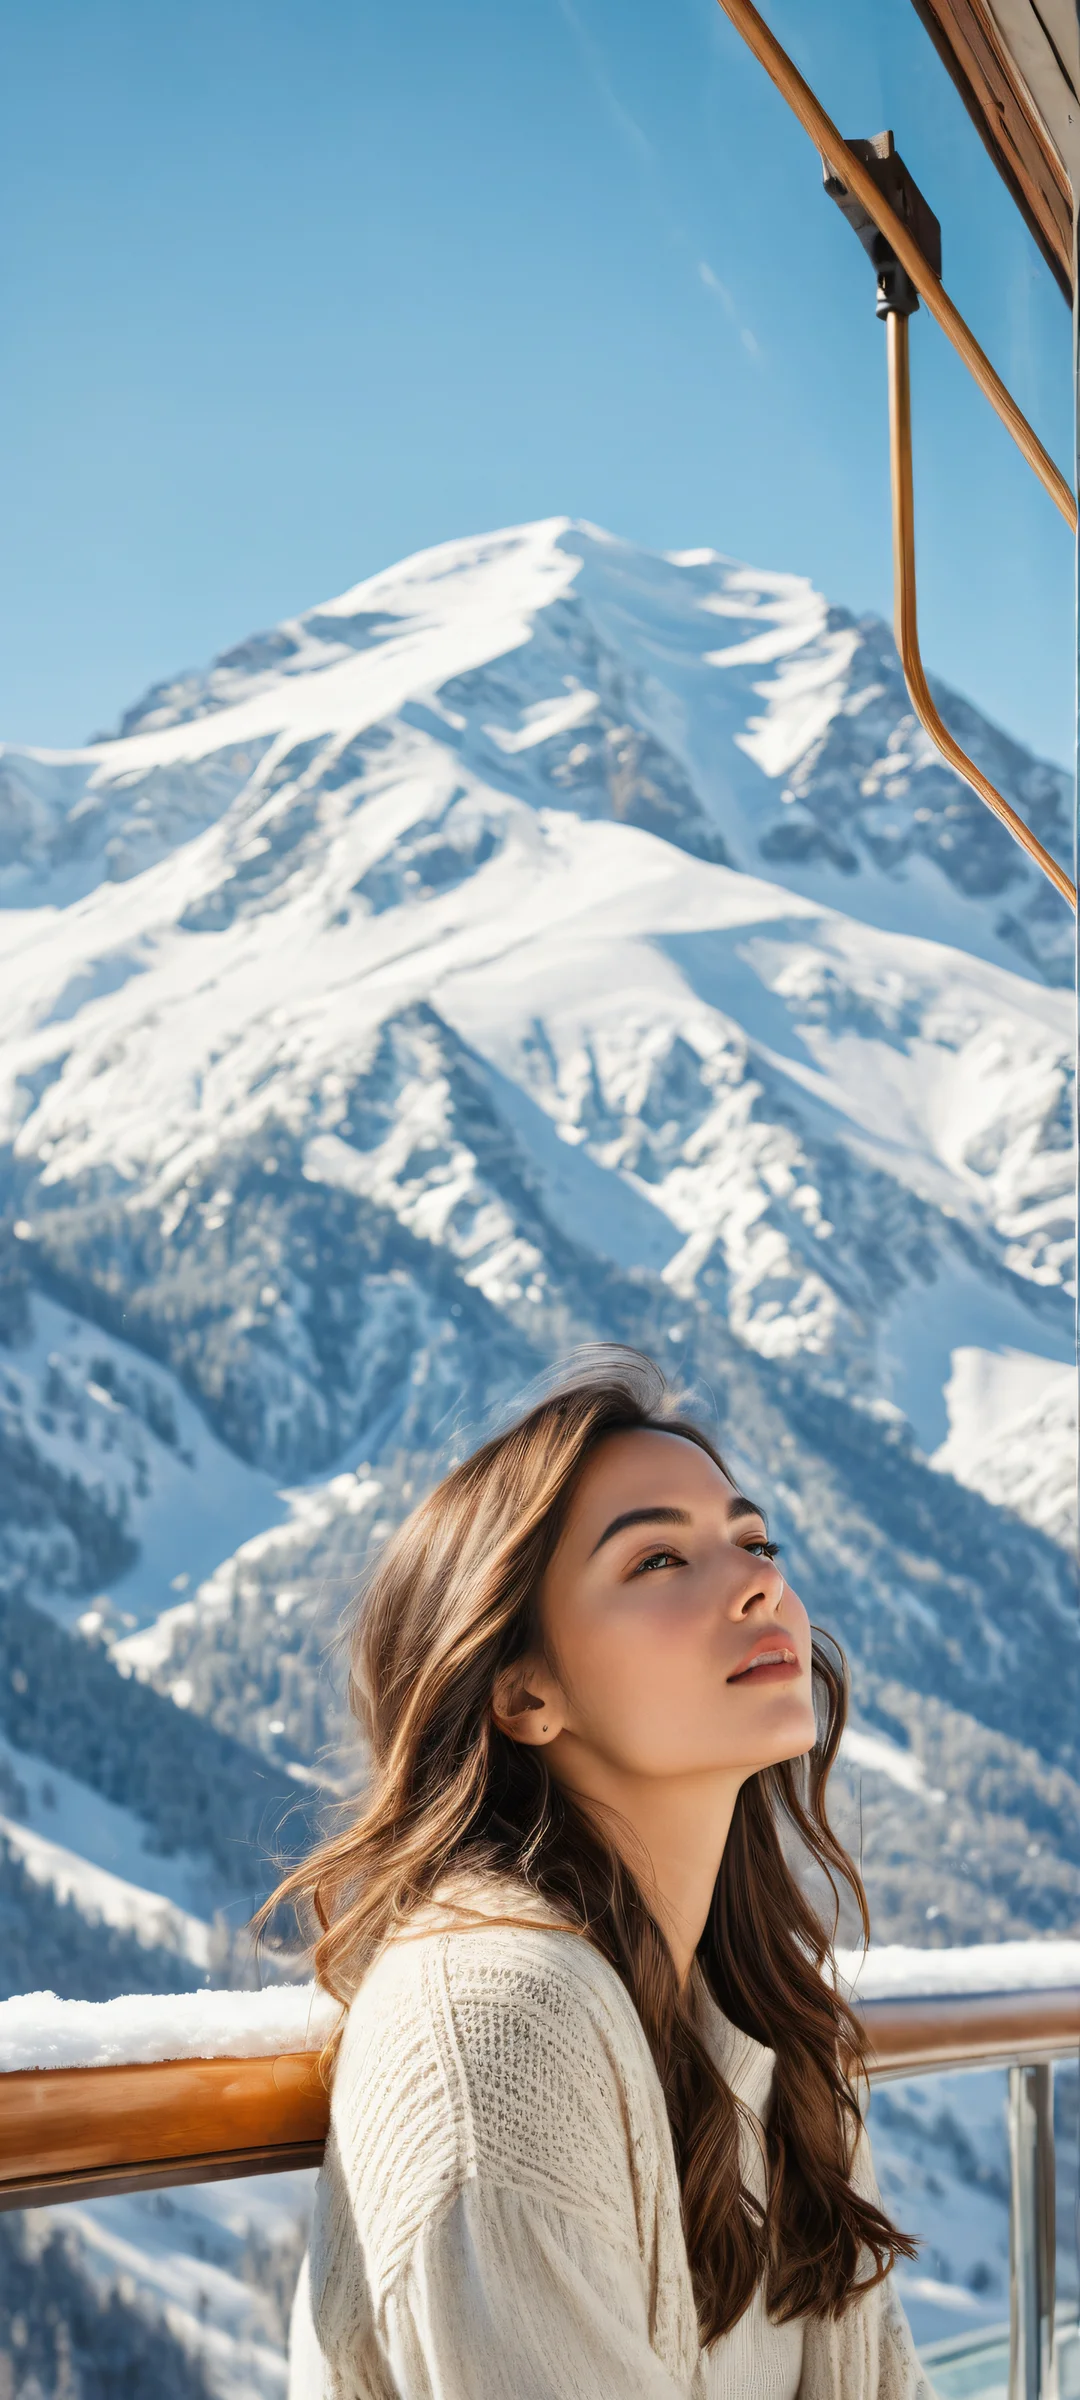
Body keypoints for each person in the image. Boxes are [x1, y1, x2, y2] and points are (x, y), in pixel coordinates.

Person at [274, 1347, 930, 2399]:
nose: (762, 1581)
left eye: (755, 1541)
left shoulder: (761, 2025)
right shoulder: (498, 2020)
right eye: (658, 1561)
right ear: (525, 1694)